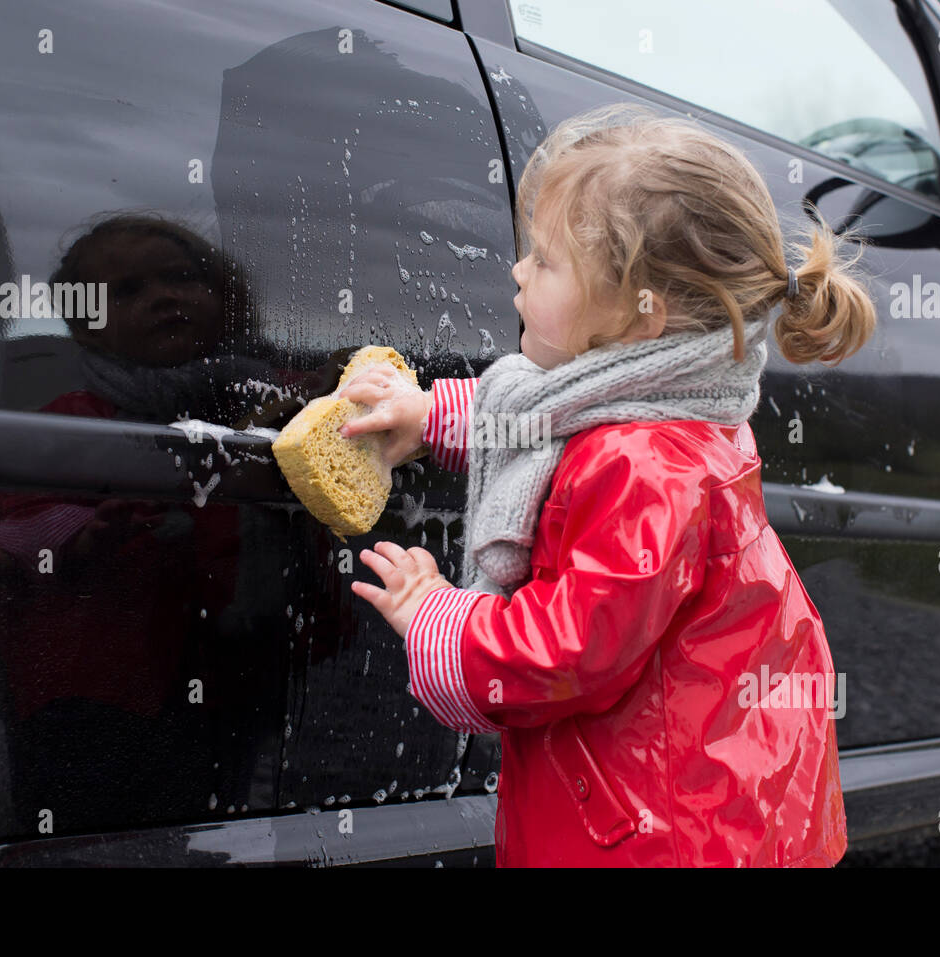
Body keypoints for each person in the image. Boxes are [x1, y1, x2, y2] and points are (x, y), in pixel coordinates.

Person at [344, 102, 876, 866]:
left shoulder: (649, 467)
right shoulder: (685, 407)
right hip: (712, 797)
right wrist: (431, 416)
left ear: (641, 314)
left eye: (547, 260)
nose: (518, 270)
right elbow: (559, 423)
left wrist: (438, 618)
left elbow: (564, 650)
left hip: (659, 830)